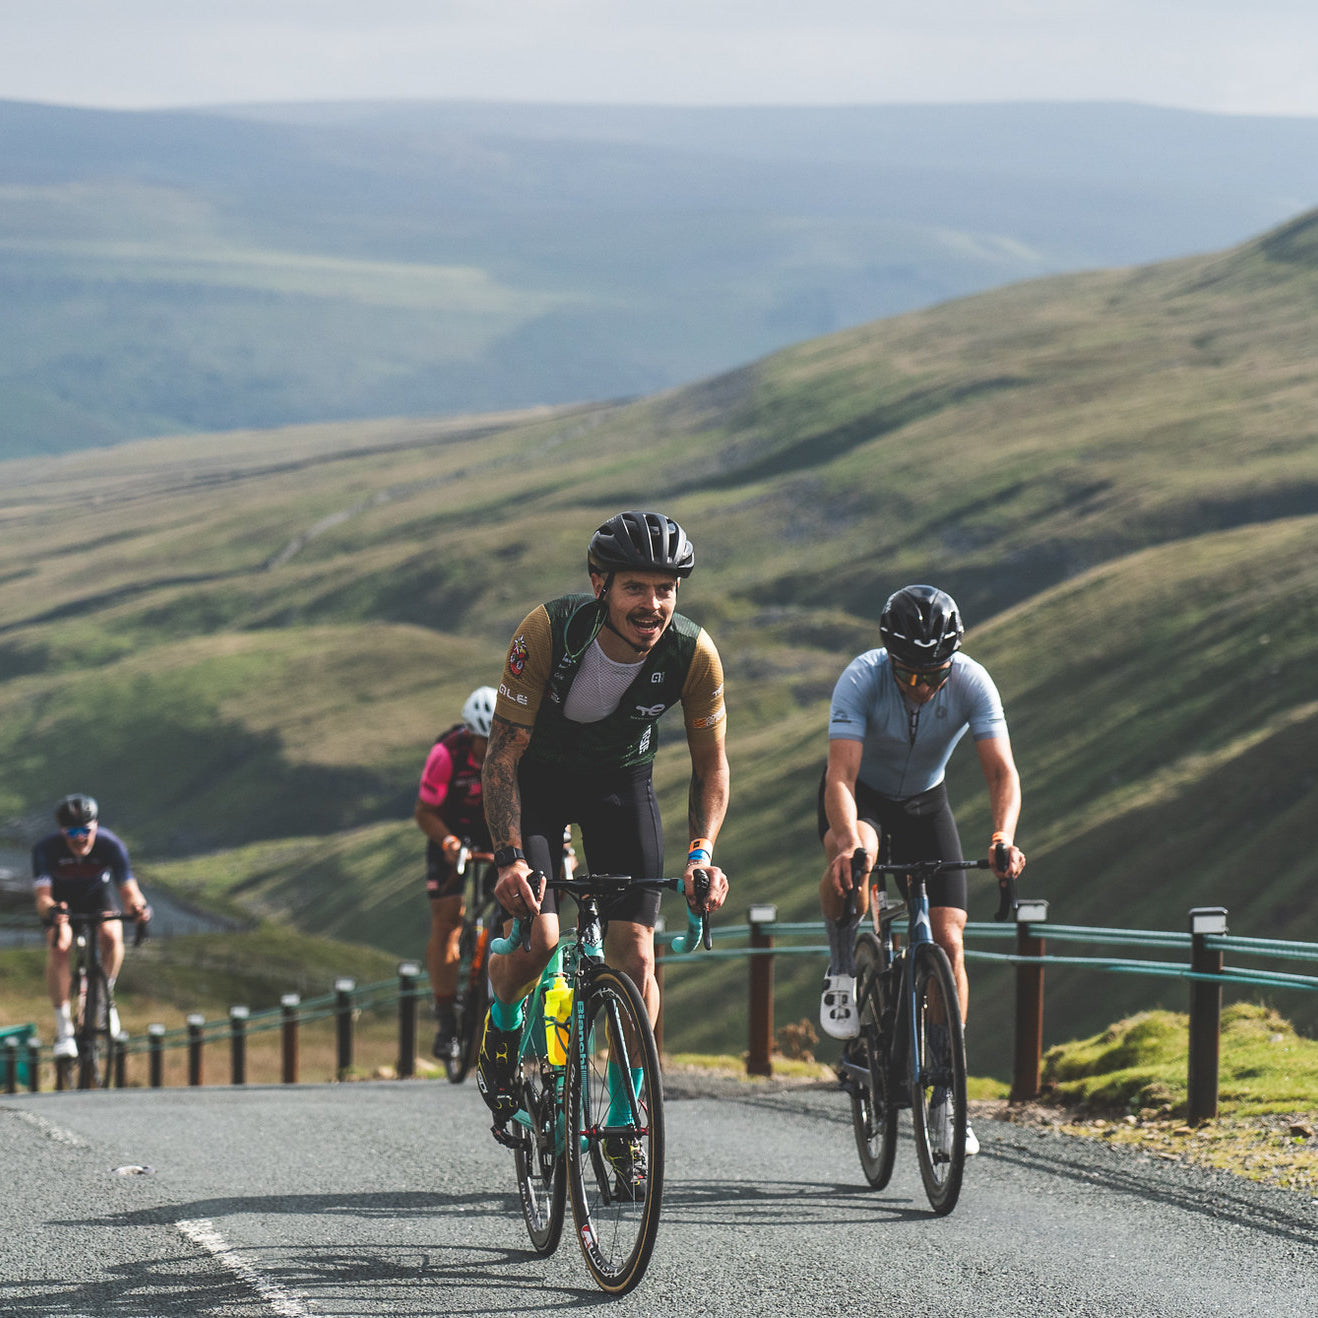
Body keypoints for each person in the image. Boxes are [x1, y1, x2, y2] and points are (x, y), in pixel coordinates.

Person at [475, 509, 730, 1135]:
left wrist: (702, 853)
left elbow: (711, 769)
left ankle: (622, 1114)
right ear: (600, 586)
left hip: (621, 786)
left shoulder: (693, 654)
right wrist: (509, 857)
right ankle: (503, 1026)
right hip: (538, 782)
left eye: (666, 589)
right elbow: (501, 755)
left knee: (637, 956)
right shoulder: (547, 632)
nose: (653, 604)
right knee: (538, 939)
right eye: (635, 588)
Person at [817, 584, 1026, 1157]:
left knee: (951, 941)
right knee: (855, 857)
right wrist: (847, 846)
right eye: (909, 675)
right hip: (863, 799)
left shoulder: (972, 683)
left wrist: (1002, 836)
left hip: (926, 804)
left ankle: (947, 1095)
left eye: (933, 675)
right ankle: (841, 969)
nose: (921, 688)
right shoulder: (862, 678)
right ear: (890, 658)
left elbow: (1001, 774)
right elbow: (840, 776)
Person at [32, 794, 151, 1058]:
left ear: (95, 826)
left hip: (97, 899)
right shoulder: (45, 849)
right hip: (60, 903)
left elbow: (129, 891)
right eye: (72, 831)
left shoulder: (111, 845)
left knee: (111, 934)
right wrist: (53, 910)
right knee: (60, 946)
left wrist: (140, 910)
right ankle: (64, 1032)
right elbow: (42, 897)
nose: (79, 838)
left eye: (85, 830)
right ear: (62, 831)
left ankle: (103, 1000)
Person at [414, 686, 497, 1059]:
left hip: (493, 831)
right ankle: (446, 1020)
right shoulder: (445, 755)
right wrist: (448, 844)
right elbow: (424, 812)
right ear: (470, 734)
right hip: (448, 831)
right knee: (447, 921)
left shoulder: (510, 750)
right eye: (483, 741)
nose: (489, 750)